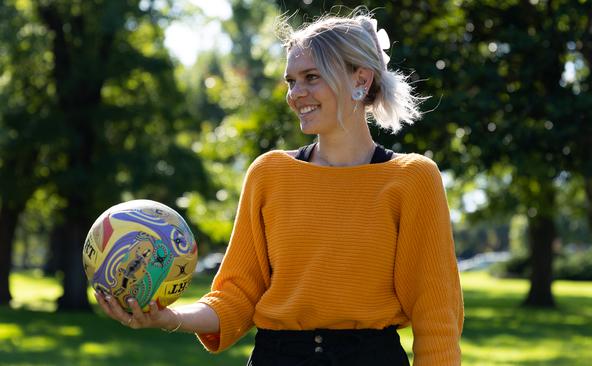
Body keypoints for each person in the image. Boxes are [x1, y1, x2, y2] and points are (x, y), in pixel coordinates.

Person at [95, 9, 464, 366]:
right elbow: (236, 296)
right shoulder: (269, 173)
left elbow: (436, 314)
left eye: (311, 77)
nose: (295, 94)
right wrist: (168, 317)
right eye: (291, 81)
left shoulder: (413, 178)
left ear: (361, 80)